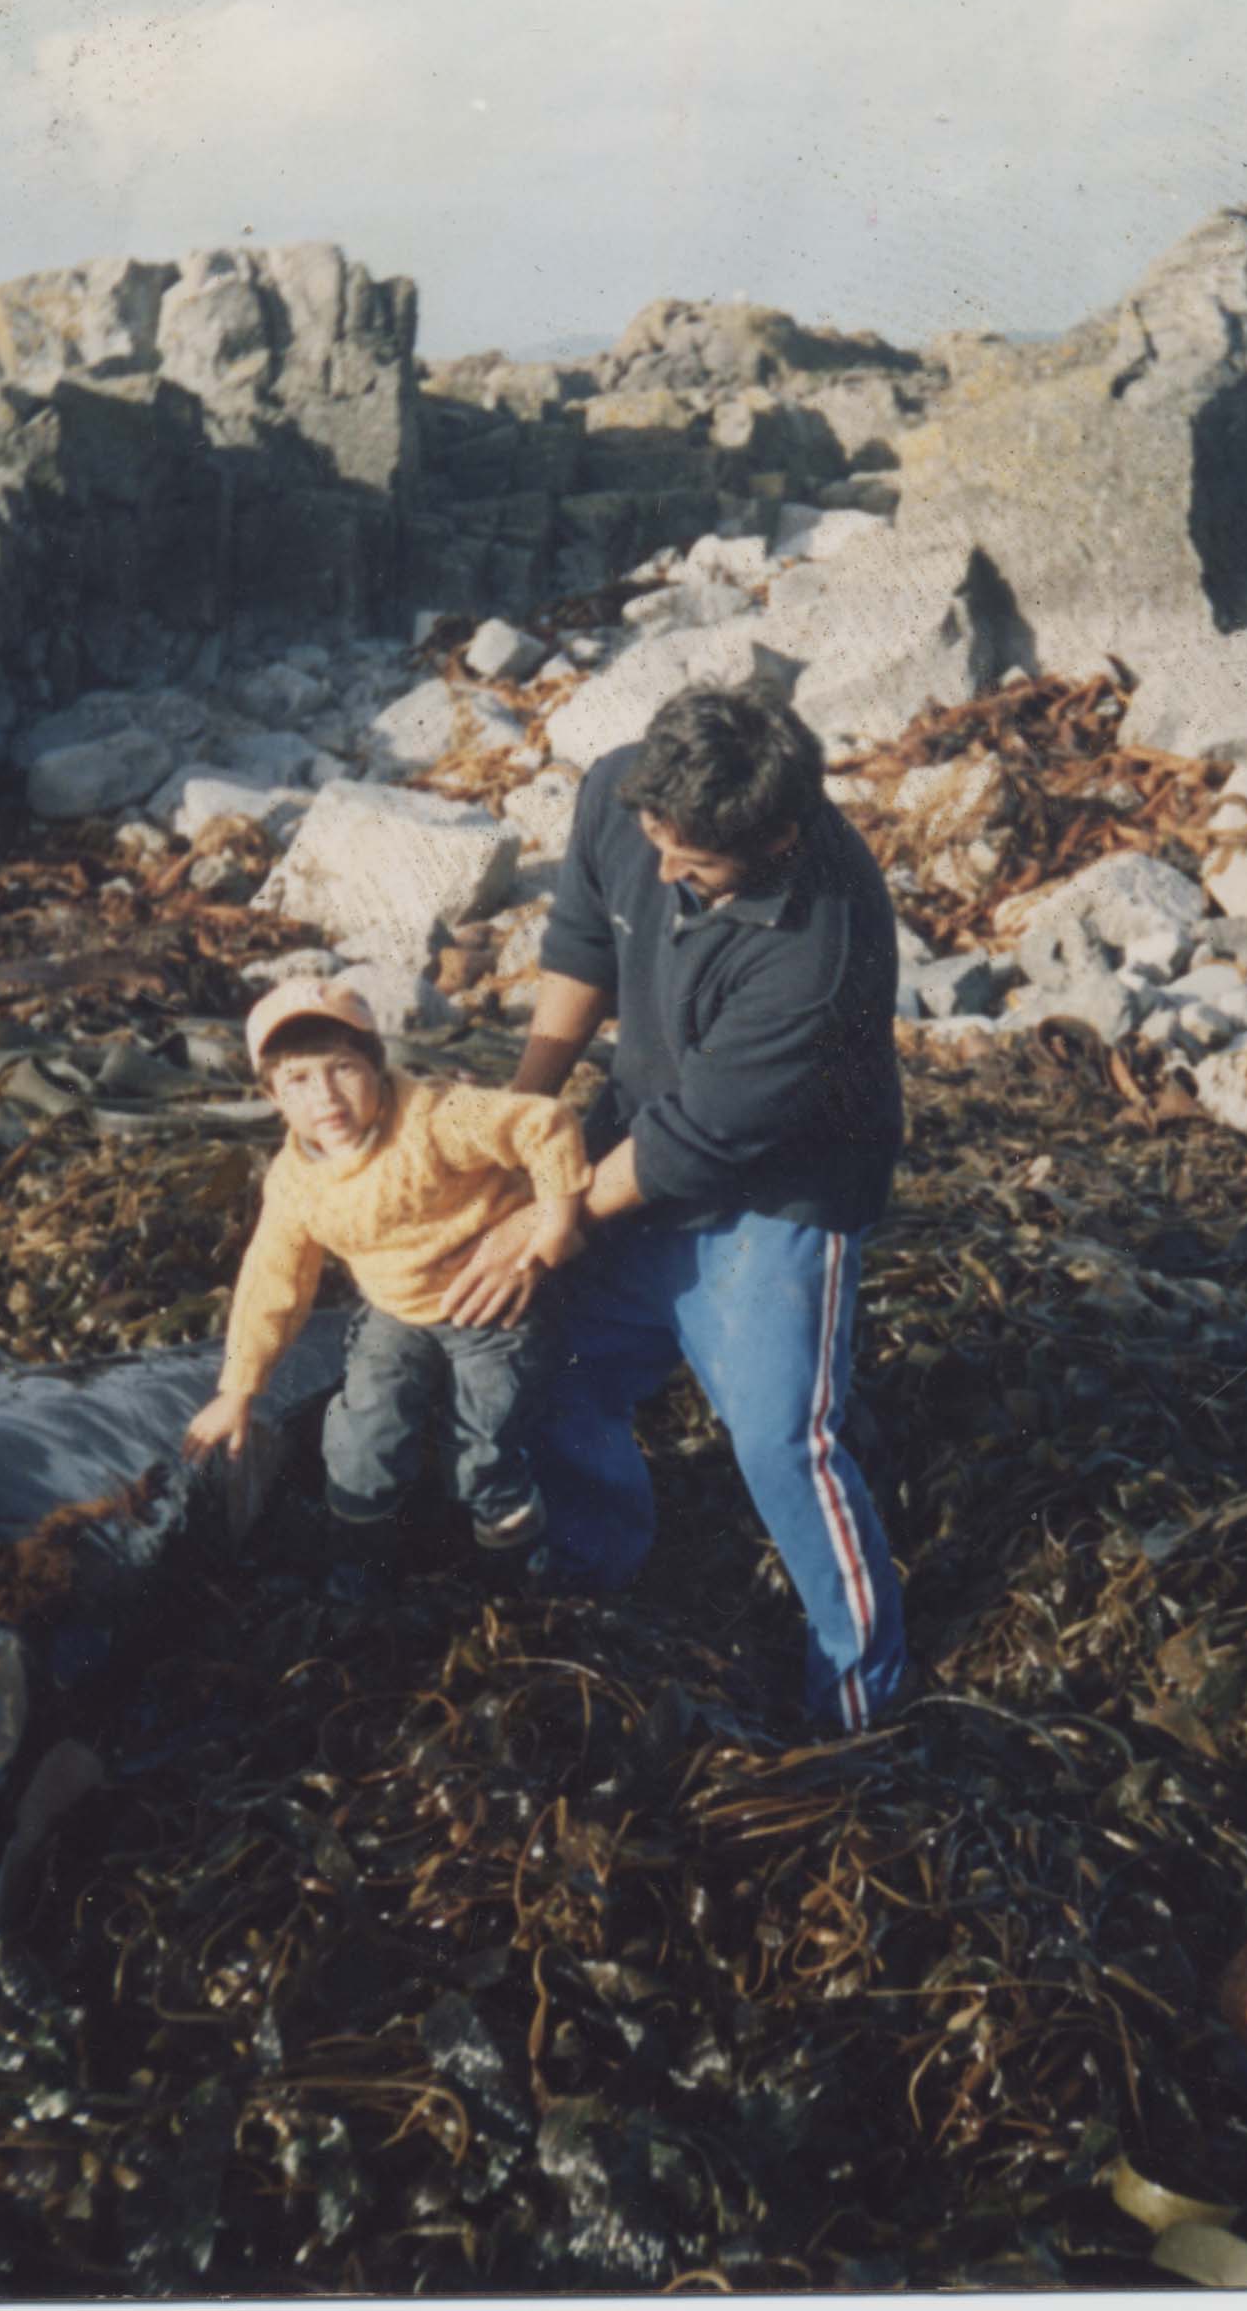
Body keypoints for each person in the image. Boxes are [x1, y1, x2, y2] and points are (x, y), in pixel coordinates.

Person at [443, 684, 909, 1732]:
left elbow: (698, 1142)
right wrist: (517, 1117)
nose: (660, 871)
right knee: (555, 1369)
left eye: (690, 865)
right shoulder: (625, 790)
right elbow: (582, 949)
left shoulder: (823, 947)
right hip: (642, 1124)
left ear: (778, 836)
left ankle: (859, 1697)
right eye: (653, 839)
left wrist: (550, 1213)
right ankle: (600, 1576)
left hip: (781, 1191)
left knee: (781, 1443)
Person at [185, 979, 592, 1552]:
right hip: (397, 1309)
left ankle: (512, 1551)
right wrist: (238, 1390)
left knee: (484, 1450)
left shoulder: (432, 1117)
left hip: (496, 1305)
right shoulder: (295, 1184)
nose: (324, 1096)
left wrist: (553, 1220)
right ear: (273, 1096)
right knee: (363, 1437)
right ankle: (361, 1548)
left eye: (343, 1069)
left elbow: (542, 1123)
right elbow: (270, 1282)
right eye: (298, 1080)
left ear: (377, 1065)